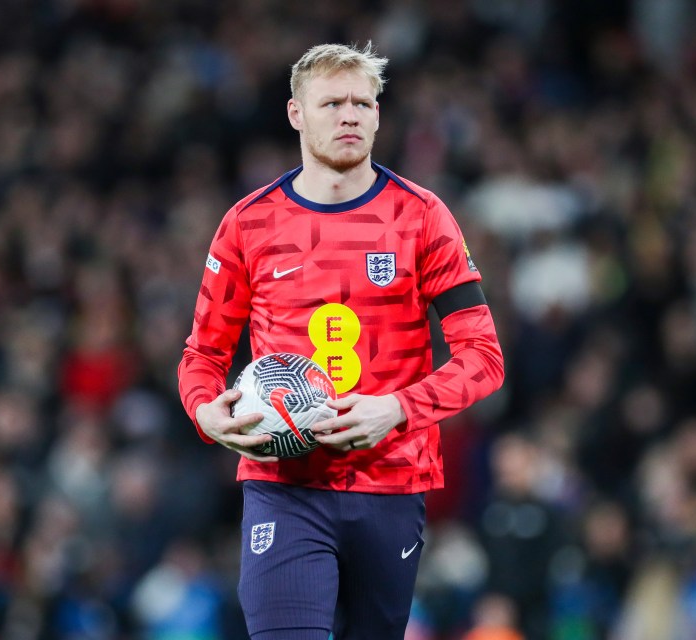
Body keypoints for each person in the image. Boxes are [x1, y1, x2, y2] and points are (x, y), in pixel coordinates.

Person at [178, 42, 505, 640]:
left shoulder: (422, 217)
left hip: (391, 482)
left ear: (379, 115)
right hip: (285, 486)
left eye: (362, 102)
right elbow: (203, 354)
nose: (349, 115)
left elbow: (484, 358)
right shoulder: (248, 223)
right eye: (332, 102)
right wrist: (205, 412)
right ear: (296, 113)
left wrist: (399, 409)